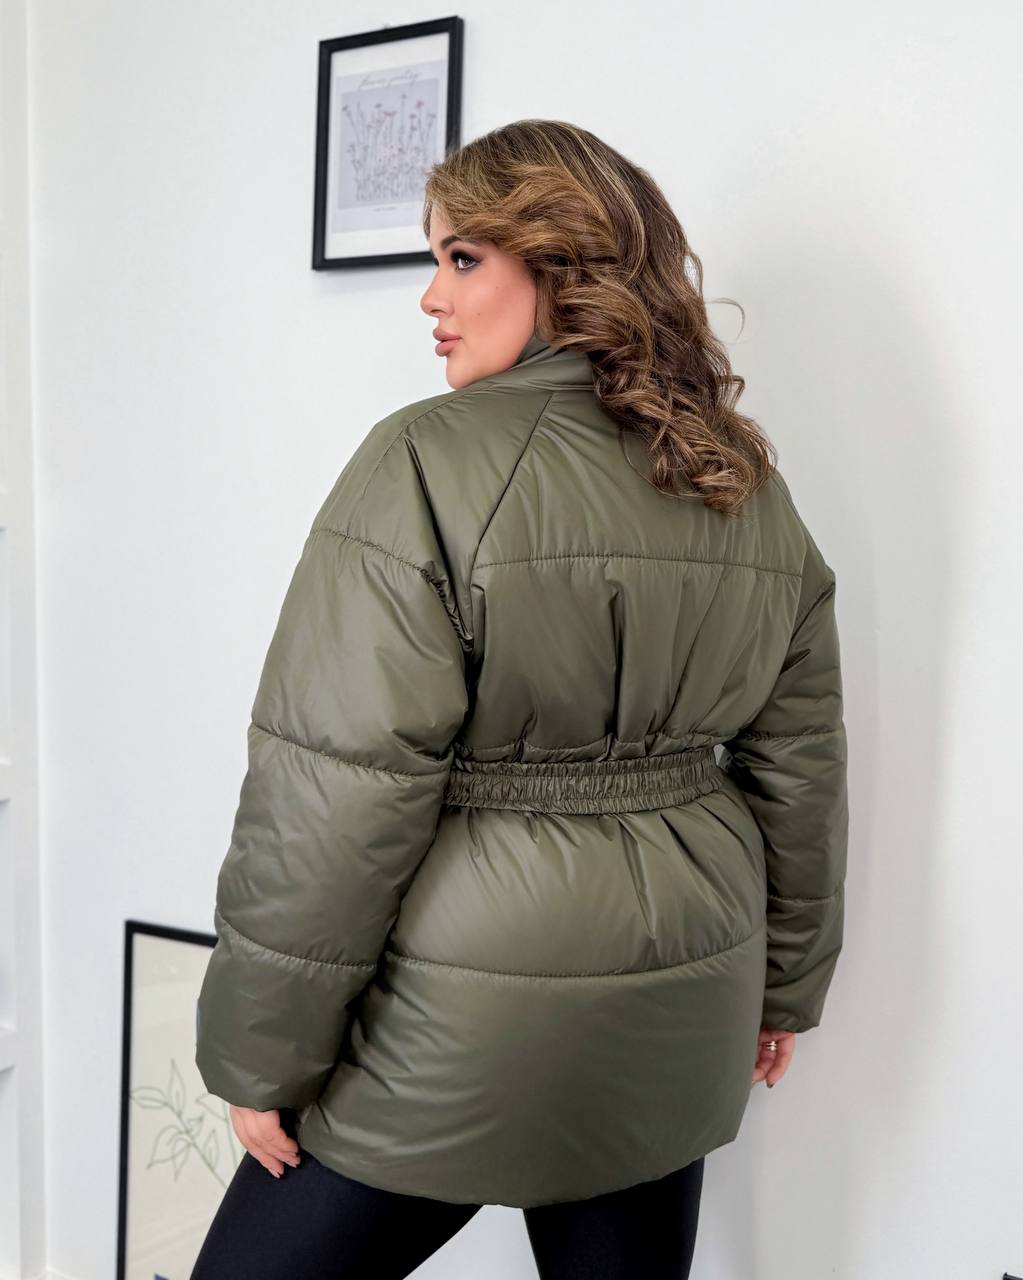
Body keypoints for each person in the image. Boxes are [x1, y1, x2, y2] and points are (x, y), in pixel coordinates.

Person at [191, 118, 848, 1279]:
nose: (430, 297)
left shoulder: (423, 461)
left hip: (465, 1015)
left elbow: (336, 792)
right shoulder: (738, 478)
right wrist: (784, 986)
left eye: (461, 258)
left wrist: (264, 1049)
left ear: (559, 265)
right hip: (684, 996)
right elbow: (800, 765)